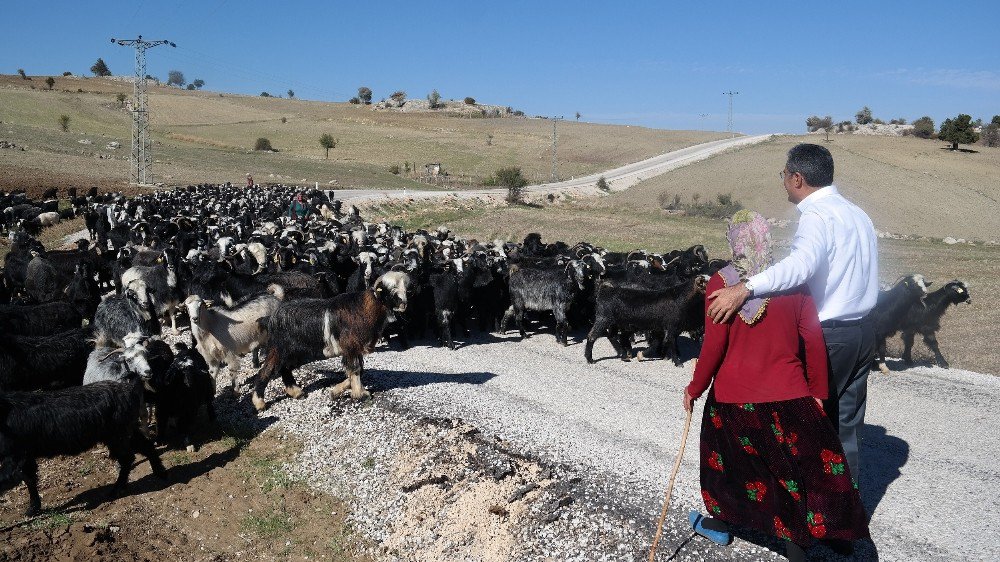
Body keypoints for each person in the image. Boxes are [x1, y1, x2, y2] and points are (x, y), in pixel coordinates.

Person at [685, 210, 869, 561]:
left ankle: (722, 525)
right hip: (792, 397)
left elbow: (713, 347)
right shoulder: (793, 280)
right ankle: (811, 539)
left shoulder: (720, 283)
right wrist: (816, 392)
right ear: (765, 237)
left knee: (725, 466)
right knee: (799, 471)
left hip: (732, 400)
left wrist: (694, 388)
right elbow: (812, 342)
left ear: (734, 239)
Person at [706, 143, 878, 483]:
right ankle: (846, 518)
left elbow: (800, 267)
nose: (782, 181)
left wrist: (745, 287)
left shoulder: (817, 216)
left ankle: (811, 517)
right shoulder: (857, 213)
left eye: (784, 175)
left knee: (810, 428)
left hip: (831, 337)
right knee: (848, 428)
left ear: (797, 178)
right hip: (863, 333)